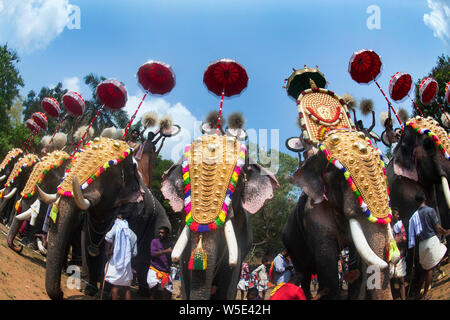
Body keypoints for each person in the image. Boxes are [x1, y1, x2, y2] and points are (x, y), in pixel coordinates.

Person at [408, 191, 450, 300]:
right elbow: (437, 227)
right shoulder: (430, 211)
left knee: (425, 269)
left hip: (421, 244)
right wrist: (445, 232)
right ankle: (425, 294)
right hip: (431, 241)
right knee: (432, 266)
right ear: (425, 199)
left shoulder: (414, 216)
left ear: (416, 202)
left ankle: (418, 293)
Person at [104, 214, 138, 300]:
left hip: (117, 262)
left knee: (115, 287)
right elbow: (134, 253)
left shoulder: (118, 227)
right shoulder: (133, 235)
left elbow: (108, 237)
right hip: (127, 264)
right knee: (127, 288)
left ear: (121, 219)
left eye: (118, 217)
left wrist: (107, 251)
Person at [147, 226, 174, 300]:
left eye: (162, 233)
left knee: (168, 293)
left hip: (166, 271)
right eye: (159, 232)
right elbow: (153, 254)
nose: (160, 234)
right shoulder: (154, 241)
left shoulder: (171, 244)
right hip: (155, 269)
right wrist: (166, 251)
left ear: (167, 234)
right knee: (153, 292)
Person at [389, 208, 407, 300]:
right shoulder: (387, 227)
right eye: (396, 214)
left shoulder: (400, 225)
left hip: (400, 255)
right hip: (390, 258)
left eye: (398, 214)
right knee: (391, 281)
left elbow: (404, 238)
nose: (398, 216)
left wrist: (396, 240)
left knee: (401, 280)